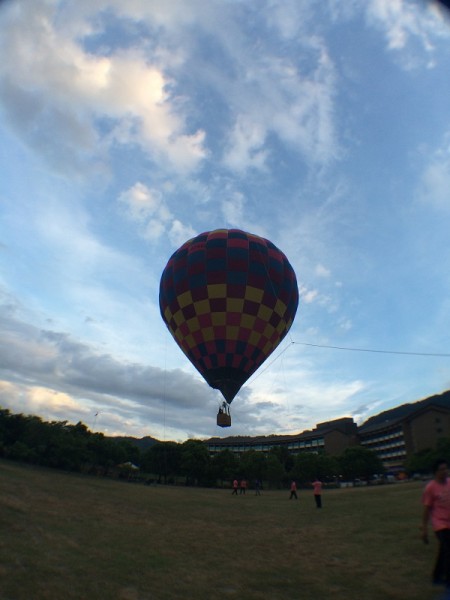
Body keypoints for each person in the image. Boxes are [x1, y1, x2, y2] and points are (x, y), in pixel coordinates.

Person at [422, 458, 450, 588]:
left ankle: (440, 576)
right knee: (446, 548)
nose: (445, 472)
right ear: (435, 472)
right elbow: (427, 509)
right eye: (442, 469)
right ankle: (442, 577)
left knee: (445, 550)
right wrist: (424, 529)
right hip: (439, 523)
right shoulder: (430, 488)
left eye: (446, 468)